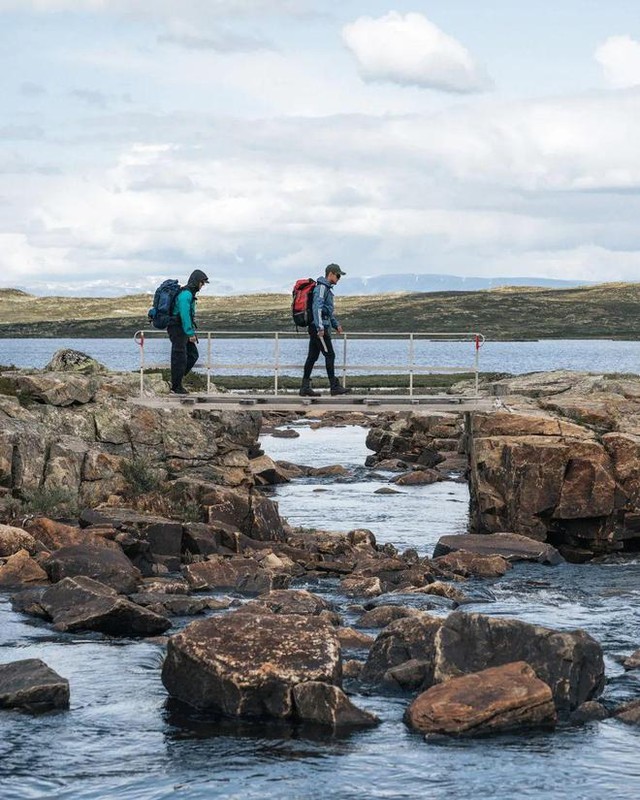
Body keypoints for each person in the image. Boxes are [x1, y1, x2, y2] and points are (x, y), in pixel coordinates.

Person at [300, 263, 351, 397]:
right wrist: (320, 327)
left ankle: (304, 387)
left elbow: (326, 312)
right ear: (331, 274)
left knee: (312, 357)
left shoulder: (326, 288)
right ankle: (334, 387)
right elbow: (318, 308)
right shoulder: (322, 288)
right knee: (330, 355)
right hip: (319, 330)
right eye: (338, 275)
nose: (339, 278)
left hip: (318, 327)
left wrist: (335, 324)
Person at [167, 269, 209, 394]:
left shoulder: (189, 294)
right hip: (177, 328)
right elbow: (184, 315)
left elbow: (188, 316)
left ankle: (176, 380)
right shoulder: (186, 295)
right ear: (196, 281)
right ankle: (176, 386)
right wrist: (190, 333)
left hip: (182, 329)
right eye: (202, 283)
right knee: (179, 357)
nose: (203, 286)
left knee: (192, 355)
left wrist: (191, 332)